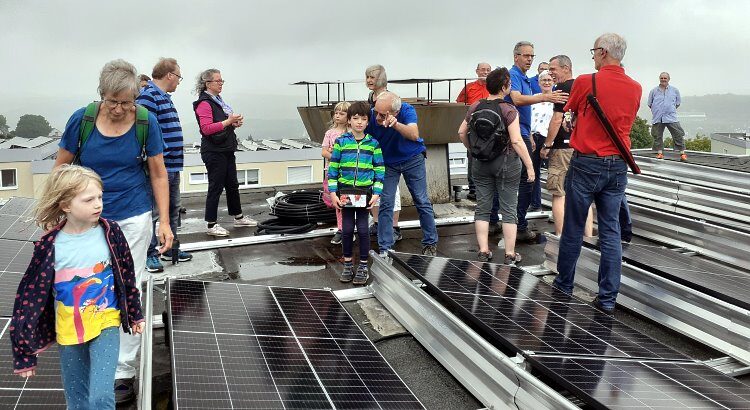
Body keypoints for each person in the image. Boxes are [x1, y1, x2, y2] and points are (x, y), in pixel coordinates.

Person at [53, 59, 172, 403]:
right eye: (112, 101)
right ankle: (90, 345)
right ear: (101, 96)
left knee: (127, 285)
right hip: (87, 218)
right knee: (87, 285)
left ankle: (122, 370)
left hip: (132, 216)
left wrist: (163, 222)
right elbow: (61, 167)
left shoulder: (145, 122)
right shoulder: (83, 119)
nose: (119, 109)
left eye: (126, 101)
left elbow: (159, 174)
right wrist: (54, 212)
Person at [11, 165, 145, 410]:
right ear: (65, 205)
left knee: (100, 397)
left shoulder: (110, 233)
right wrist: (24, 353)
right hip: (69, 329)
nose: (98, 204)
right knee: (77, 401)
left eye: (100, 197)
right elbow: (27, 300)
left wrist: (135, 313)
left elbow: (126, 276)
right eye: (89, 199)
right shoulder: (49, 246)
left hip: (106, 320)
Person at [552, 33, 642, 315]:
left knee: (574, 228)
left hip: (586, 163)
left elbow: (570, 110)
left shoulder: (586, 81)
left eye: (593, 51)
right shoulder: (636, 87)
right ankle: (606, 300)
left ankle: (564, 286)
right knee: (611, 231)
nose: (592, 56)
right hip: (617, 166)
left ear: (603, 52)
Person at [458, 68, 535, 265]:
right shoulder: (509, 110)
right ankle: (510, 254)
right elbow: (517, 141)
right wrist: (530, 166)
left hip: (480, 163)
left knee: (483, 207)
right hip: (507, 163)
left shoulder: (475, 106)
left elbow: (461, 132)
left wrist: (474, 149)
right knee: (509, 208)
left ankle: (484, 250)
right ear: (504, 87)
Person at [506, 41, 568, 241]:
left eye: (532, 56)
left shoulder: (523, 77)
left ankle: (516, 222)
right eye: (526, 56)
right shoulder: (514, 75)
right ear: (516, 57)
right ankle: (518, 225)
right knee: (524, 180)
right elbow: (516, 99)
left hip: (525, 132)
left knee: (525, 181)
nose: (529, 59)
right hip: (518, 133)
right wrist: (546, 98)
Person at [367, 91, 439, 256]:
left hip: (412, 158)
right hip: (387, 163)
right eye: (375, 111)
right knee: (386, 203)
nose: (377, 117)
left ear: (395, 112)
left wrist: (396, 124)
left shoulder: (407, 110)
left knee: (421, 200)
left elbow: (414, 134)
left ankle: (430, 243)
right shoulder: (371, 115)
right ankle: (385, 247)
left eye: (382, 114)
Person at [138, 58, 192, 274]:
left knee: (172, 210)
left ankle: (170, 248)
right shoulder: (149, 97)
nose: (179, 81)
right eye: (178, 76)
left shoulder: (163, 97)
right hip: (160, 167)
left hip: (172, 165)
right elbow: (145, 132)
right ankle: (151, 253)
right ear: (170, 75)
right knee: (154, 212)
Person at [192, 68, 258, 237]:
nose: (221, 83)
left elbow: (220, 124)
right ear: (208, 83)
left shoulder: (217, 100)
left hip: (226, 148)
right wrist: (228, 121)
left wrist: (232, 124)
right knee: (216, 186)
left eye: (222, 81)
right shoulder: (204, 103)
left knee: (232, 184)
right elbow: (206, 129)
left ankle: (238, 216)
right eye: (218, 81)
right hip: (214, 151)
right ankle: (211, 224)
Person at [328, 101, 385, 285]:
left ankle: (362, 265)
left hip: (364, 193)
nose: (359, 122)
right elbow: (333, 169)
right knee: (345, 230)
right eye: (355, 118)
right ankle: (347, 264)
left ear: (368, 122)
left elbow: (379, 169)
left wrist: (376, 193)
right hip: (345, 193)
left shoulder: (373, 144)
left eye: (363, 119)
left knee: (362, 230)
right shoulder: (341, 142)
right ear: (349, 121)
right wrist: (334, 193)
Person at [541, 55, 594, 237]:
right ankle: (588, 236)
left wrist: (547, 145)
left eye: (553, 69)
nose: (550, 73)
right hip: (581, 146)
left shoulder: (562, 88)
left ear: (566, 68)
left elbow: (557, 119)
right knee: (583, 195)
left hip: (562, 148)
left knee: (559, 193)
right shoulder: (583, 86)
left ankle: (561, 237)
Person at [365, 65, 402, 240]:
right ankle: (378, 221)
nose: (369, 81)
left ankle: (394, 226)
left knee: (391, 190)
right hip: (374, 147)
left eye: (372, 77)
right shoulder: (370, 98)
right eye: (367, 77)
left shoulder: (390, 98)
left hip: (389, 148)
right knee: (374, 185)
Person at [457, 62, 492, 201]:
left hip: (492, 129)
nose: (485, 72)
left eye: (488, 70)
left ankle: (489, 189)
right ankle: (473, 189)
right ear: (477, 71)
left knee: (491, 157)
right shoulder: (469, 87)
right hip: (474, 129)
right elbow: (459, 105)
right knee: (473, 157)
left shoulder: (493, 87)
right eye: (483, 70)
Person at [322, 101, 350, 244]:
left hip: (348, 173)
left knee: (349, 201)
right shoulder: (330, 133)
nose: (337, 116)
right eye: (336, 113)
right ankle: (341, 229)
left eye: (342, 113)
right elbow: (324, 151)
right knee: (338, 202)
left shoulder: (351, 133)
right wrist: (336, 157)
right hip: (334, 172)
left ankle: (348, 228)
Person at [528, 70, 554, 211]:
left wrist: (548, 144)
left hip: (550, 139)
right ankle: (535, 203)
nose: (547, 82)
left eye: (549, 80)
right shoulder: (534, 98)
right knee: (533, 171)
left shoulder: (556, 98)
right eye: (544, 80)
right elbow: (528, 118)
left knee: (554, 172)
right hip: (534, 137)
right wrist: (530, 135)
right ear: (539, 82)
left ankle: (558, 206)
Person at [648, 72, 687, 161]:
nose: (663, 80)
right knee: (657, 135)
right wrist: (657, 110)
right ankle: (659, 153)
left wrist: (669, 109)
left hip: (671, 117)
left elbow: (677, 103)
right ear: (659, 79)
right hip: (658, 117)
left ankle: (682, 153)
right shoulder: (653, 91)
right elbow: (650, 104)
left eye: (665, 78)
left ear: (668, 79)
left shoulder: (675, 90)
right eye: (662, 78)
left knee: (678, 134)